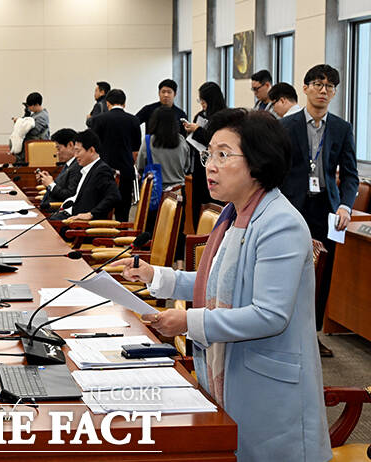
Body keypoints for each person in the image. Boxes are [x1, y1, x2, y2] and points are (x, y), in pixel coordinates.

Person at [119, 108, 331, 462]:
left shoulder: (281, 224)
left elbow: (269, 315)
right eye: (208, 154)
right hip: (234, 371)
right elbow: (215, 284)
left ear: (258, 162)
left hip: (269, 390)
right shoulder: (234, 216)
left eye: (223, 154)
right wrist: (155, 276)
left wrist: (188, 322)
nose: (210, 166)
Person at [280, 64, 359, 357]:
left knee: (321, 275)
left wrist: (345, 205)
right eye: (317, 84)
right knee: (290, 270)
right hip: (292, 209)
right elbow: (275, 169)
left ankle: (311, 336)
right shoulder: (286, 126)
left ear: (334, 92)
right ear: (305, 88)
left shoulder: (341, 128)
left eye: (329, 86)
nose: (323, 90)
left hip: (326, 211)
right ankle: (284, 332)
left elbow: (350, 174)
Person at [136, 107, 190, 264]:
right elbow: (186, 166)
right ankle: (179, 264)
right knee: (178, 230)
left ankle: (152, 262)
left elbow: (140, 165)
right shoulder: (181, 140)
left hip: (156, 193)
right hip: (179, 191)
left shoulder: (148, 141)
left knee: (152, 228)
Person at [90, 89, 141, 222]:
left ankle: (102, 236)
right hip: (126, 170)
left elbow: (93, 148)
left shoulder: (98, 120)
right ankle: (121, 235)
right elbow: (135, 151)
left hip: (103, 170)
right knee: (123, 208)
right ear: (124, 103)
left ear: (107, 103)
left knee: (102, 208)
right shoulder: (134, 120)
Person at [51, 129, 120, 222]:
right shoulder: (87, 169)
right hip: (70, 216)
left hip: (80, 224)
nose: (75, 156)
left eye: (78, 151)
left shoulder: (102, 170)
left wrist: (91, 214)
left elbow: (114, 196)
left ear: (91, 150)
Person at [183, 82, 226, 228]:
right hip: (199, 166)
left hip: (216, 166)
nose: (201, 104)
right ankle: (197, 238)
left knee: (214, 204)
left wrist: (199, 130)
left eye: (203, 101)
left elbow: (217, 140)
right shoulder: (200, 115)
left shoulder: (223, 117)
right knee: (197, 204)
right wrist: (192, 130)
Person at [37, 128, 81, 210]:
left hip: (57, 212)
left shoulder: (77, 166)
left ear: (70, 145)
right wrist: (48, 181)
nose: (57, 153)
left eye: (58, 148)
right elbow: (61, 188)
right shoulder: (68, 164)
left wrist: (51, 184)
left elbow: (69, 196)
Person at [13, 92, 50, 163]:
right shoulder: (35, 114)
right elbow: (27, 123)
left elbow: (33, 131)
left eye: (30, 106)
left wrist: (19, 122)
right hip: (30, 147)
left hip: (36, 148)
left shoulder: (42, 116)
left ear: (36, 104)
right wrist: (26, 115)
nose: (29, 108)